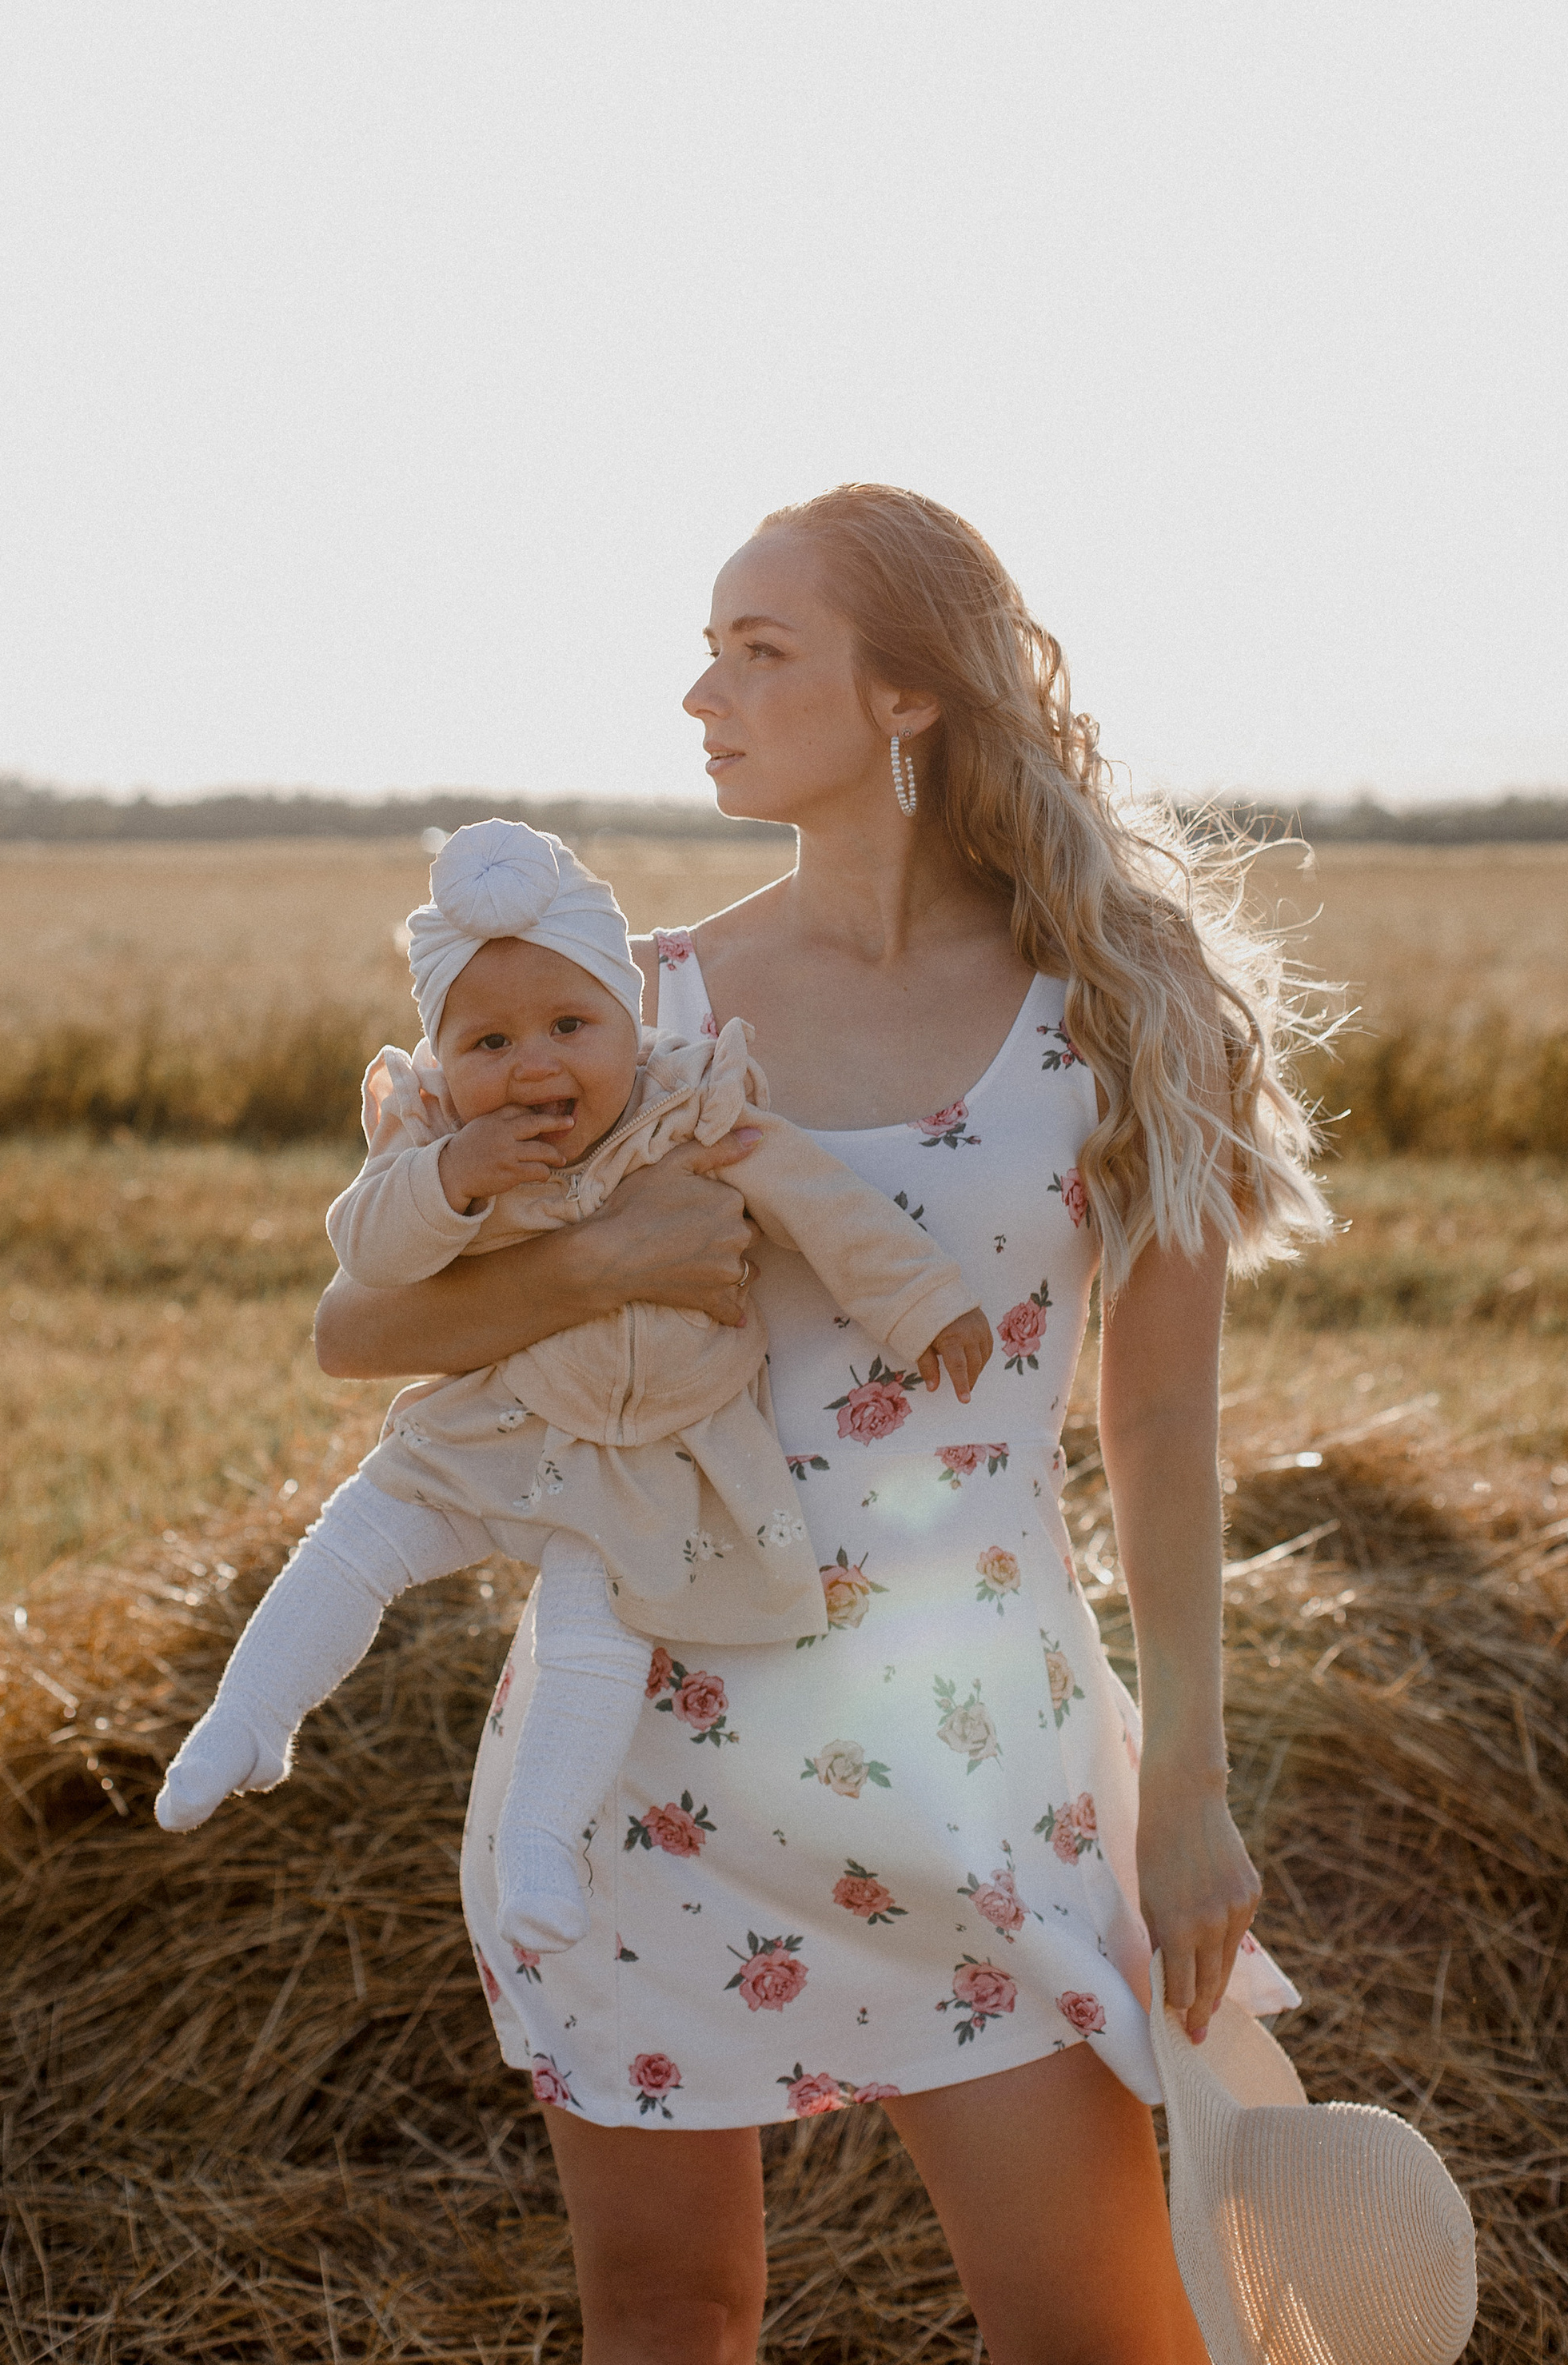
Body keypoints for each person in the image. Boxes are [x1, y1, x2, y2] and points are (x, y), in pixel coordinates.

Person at [313, 484, 1329, 2365]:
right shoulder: (636, 1010)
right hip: (645, 1756)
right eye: (707, 648)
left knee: (1100, 2332)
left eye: (756, 649)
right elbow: (358, 1324)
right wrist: (600, 1253)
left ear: (907, 697)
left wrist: (1182, 1791)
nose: (701, 691)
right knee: (673, 2315)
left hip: (975, 1754)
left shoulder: (1120, 1010)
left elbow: (1161, 1415)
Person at [156, 816, 991, 1964]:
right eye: (490, 1041)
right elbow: (368, 1254)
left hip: (654, 1454)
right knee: (359, 1538)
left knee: (596, 1635)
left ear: (630, 1021)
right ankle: (247, 1718)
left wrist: (923, 1302)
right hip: (495, 1422)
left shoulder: (695, 1112)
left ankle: (542, 1846)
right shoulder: (440, 1137)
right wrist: (450, 1177)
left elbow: (827, 1207)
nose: (536, 1064)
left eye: (569, 1025)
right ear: (443, 1056)